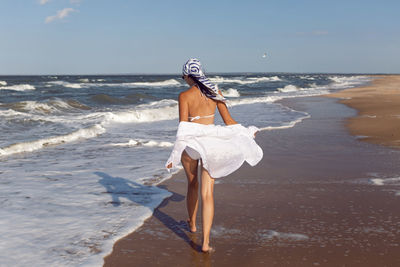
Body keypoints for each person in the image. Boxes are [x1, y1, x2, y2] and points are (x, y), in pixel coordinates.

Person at [166, 58, 263, 253]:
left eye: (183, 76)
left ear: (187, 75)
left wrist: (174, 156)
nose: (183, 80)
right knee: (208, 193)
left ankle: (192, 224)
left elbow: (183, 128)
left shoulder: (184, 95)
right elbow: (229, 121)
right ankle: (206, 243)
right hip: (213, 144)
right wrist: (245, 132)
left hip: (194, 144)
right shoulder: (215, 92)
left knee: (192, 184)